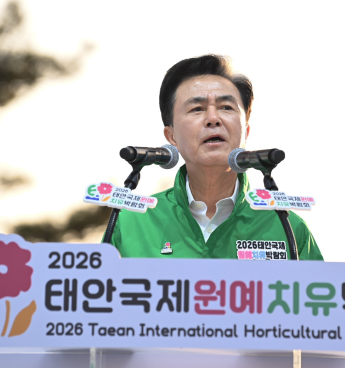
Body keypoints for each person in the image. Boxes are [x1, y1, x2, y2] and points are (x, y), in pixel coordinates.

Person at [109, 54, 323, 260]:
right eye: (197, 109)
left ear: (246, 131)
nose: (213, 118)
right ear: (171, 136)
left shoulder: (287, 228)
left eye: (226, 107)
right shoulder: (129, 225)